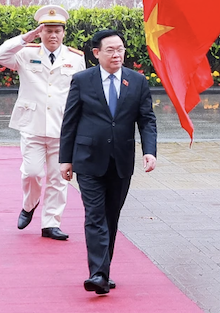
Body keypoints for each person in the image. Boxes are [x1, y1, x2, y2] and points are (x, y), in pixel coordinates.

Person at [59, 29, 158, 295]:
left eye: (121, 49)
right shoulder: (82, 80)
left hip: (121, 161)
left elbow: (146, 119)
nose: (117, 55)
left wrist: (150, 151)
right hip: (88, 160)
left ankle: (104, 270)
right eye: (111, 50)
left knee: (110, 217)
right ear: (96, 54)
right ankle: (98, 274)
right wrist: (65, 159)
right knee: (95, 215)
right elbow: (70, 122)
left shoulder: (137, 82)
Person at [0, 4, 87, 241]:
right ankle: (29, 205)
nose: (53, 35)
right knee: (32, 173)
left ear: (63, 32)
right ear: (40, 32)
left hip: (62, 127)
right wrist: (26, 38)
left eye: (57, 31)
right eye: (47, 31)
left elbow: (82, 92)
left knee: (58, 178)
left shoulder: (75, 59)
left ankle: (51, 223)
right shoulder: (26, 54)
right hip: (32, 125)